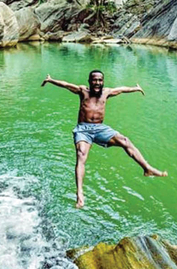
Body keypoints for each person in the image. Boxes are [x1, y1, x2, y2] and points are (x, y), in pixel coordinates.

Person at [42, 70, 167, 208]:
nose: (97, 83)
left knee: (125, 141)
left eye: (100, 80)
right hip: (83, 130)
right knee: (81, 154)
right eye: (94, 80)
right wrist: (51, 80)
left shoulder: (106, 92)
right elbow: (65, 85)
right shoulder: (83, 91)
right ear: (89, 81)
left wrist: (135, 88)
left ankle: (147, 169)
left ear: (103, 81)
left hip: (100, 128)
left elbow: (122, 90)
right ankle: (80, 194)